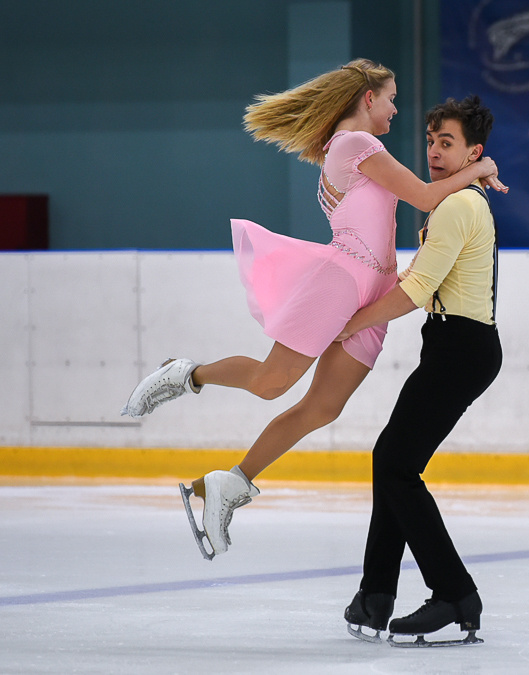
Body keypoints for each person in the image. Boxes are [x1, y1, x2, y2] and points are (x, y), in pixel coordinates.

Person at [120, 59, 506, 560]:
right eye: (390, 98)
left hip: (375, 294)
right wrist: (481, 168)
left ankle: (229, 484)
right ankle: (185, 373)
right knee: (271, 382)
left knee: (323, 407)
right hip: (343, 284)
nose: (394, 109)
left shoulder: (356, 147)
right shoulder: (356, 144)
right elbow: (426, 196)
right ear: (368, 98)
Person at [338, 95, 503, 646]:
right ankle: (376, 595)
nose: (433, 151)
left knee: (395, 465)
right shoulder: (457, 199)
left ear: (473, 151)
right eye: (431, 140)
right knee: (393, 460)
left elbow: (414, 290)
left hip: (462, 348)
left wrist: (348, 323)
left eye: (447, 143)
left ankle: (454, 594)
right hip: (453, 345)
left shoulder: (459, 206)